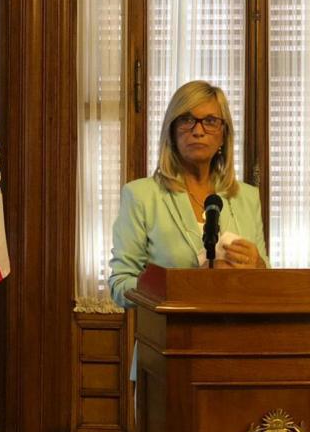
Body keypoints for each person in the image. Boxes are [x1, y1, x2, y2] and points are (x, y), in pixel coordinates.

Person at [109, 80, 268, 310]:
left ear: (223, 135)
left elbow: (269, 282)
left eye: (210, 121)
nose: (198, 130)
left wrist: (259, 266)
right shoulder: (140, 196)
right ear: (171, 132)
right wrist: (187, 285)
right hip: (171, 340)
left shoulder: (247, 197)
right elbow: (120, 285)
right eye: (187, 120)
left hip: (237, 340)